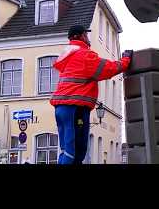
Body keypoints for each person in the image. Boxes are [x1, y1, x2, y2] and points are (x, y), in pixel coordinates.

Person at [50, 25, 133, 164]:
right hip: (75, 107)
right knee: (77, 150)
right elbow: (109, 69)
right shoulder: (84, 55)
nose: (88, 38)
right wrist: (126, 60)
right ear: (82, 36)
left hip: (61, 108)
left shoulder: (67, 55)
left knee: (66, 149)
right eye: (86, 35)